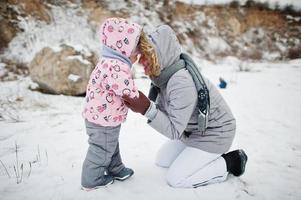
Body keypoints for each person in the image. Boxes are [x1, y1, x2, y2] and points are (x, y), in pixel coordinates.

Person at [123, 25, 248, 188]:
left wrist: (146, 108)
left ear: (160, 56)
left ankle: (231, 162)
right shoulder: (162, 78)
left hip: (216, 134)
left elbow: (174, 130)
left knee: (176, 179)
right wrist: (141, 105)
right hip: (192, 131)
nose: (141, 62)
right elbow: (167, 115)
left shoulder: (181, 81)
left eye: (146, 56)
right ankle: (200, 158)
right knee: (162, 161)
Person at [81, 18, 142, 190]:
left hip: (103, 117)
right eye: (134, 49)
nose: (137, 54)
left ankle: (116, 169)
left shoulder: (109, 61)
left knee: (111, 145)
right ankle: (91, 179)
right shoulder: (115, 66)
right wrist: (136, 95)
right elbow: (125, 89)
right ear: (122, 48)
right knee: (101, 149)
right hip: (103, 119)